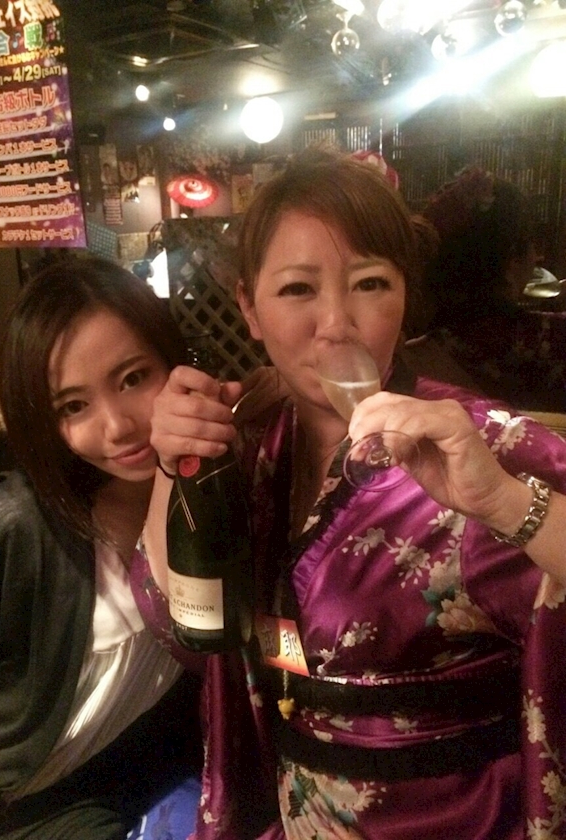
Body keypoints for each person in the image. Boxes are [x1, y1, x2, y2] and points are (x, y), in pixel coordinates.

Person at [145, 148, 566, 840]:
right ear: (249, 308)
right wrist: (173, 464)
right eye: (297, 290)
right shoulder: (250, 442)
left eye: (369, 283)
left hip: (454, 818)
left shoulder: (476, 441)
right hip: (298, 807)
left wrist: (500, 501)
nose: (337, 323)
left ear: (404, 297)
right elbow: (181, 614)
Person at [0, 256, 204, 839]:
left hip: (80, 801)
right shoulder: (16, 528)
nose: (118, 426)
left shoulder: (207, 507)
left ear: (174, 363)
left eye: (133, 378)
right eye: (74, 406)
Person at [419, 165, 566, 410]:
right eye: (532, 244)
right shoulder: (547, 341)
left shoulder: (415, 348)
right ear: (511, 258)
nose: (537, 257)